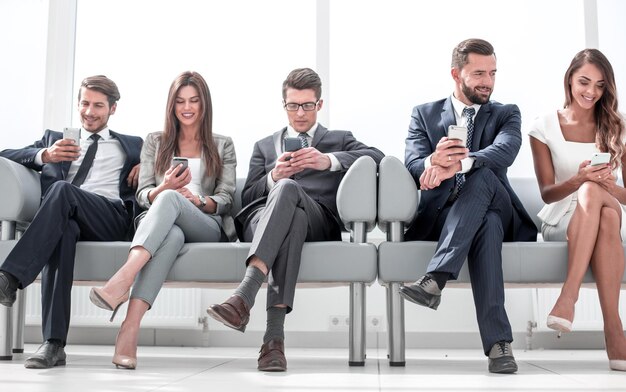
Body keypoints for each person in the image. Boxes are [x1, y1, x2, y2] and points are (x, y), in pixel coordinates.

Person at [205, 67, 384, 372]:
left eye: (307, 105)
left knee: (295, 201)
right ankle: (273, 342)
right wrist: (274, 176)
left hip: (319, 218)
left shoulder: (339, 139)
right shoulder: (264, 145)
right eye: (293, 105)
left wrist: (328, 161)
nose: (300, 113)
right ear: (283, 105)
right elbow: (247, 197)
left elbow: (377, 157)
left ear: (319, 105)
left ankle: (244, 296)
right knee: (292, 216)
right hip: (264, 218)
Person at [400, 38, 537, 374]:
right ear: (455, 74)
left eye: (492, 73)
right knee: (485, 225)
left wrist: (460, 165)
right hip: (445, 214)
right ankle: (498, 346)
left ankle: (435, 277)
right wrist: (434, 160)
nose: (487, 81)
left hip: (500, 203)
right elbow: (412, 162)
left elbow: (505, 151)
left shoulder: (506, 113)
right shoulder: (425, 114)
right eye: (478, 73)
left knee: (484, 175)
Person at [88, 71, 237, 369]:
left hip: (204, 223)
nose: (187, 107)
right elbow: (143, 195)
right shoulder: (156, 142)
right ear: (171, 105)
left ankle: (123, 279)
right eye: (180, 101)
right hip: (165, 225)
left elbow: (227, 197)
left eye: (194, 100)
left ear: (204, 104)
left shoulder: (222, 144)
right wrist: (163, 187)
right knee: (171, 232)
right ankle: (129, 331)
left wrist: (198, 201)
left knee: (173, 200)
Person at [0, 75, 142, 369]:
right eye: (85, 103)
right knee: (63, 230)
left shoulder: (131, 144)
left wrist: (148, 166)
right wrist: (45, 155)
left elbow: (166, 165)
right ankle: (53, 344)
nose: (89, 112)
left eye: (98, 106)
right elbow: (6, 155)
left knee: (61, 190)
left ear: (112, 109)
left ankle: (9, 278)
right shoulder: (55, 138)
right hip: (65, 215)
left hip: (110, 218)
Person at [528, 48, 626, 371]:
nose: (591, 92)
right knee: (607, 216)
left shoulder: (616, 126)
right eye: (584, 82)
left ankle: (568, 298)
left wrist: (609, 187)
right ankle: (614, 330)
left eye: (600, 86)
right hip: (561, 217)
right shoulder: (543, 127)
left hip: (606, 199)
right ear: (570, 79)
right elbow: (546, 193)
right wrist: (579, 179)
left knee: (602, 201)